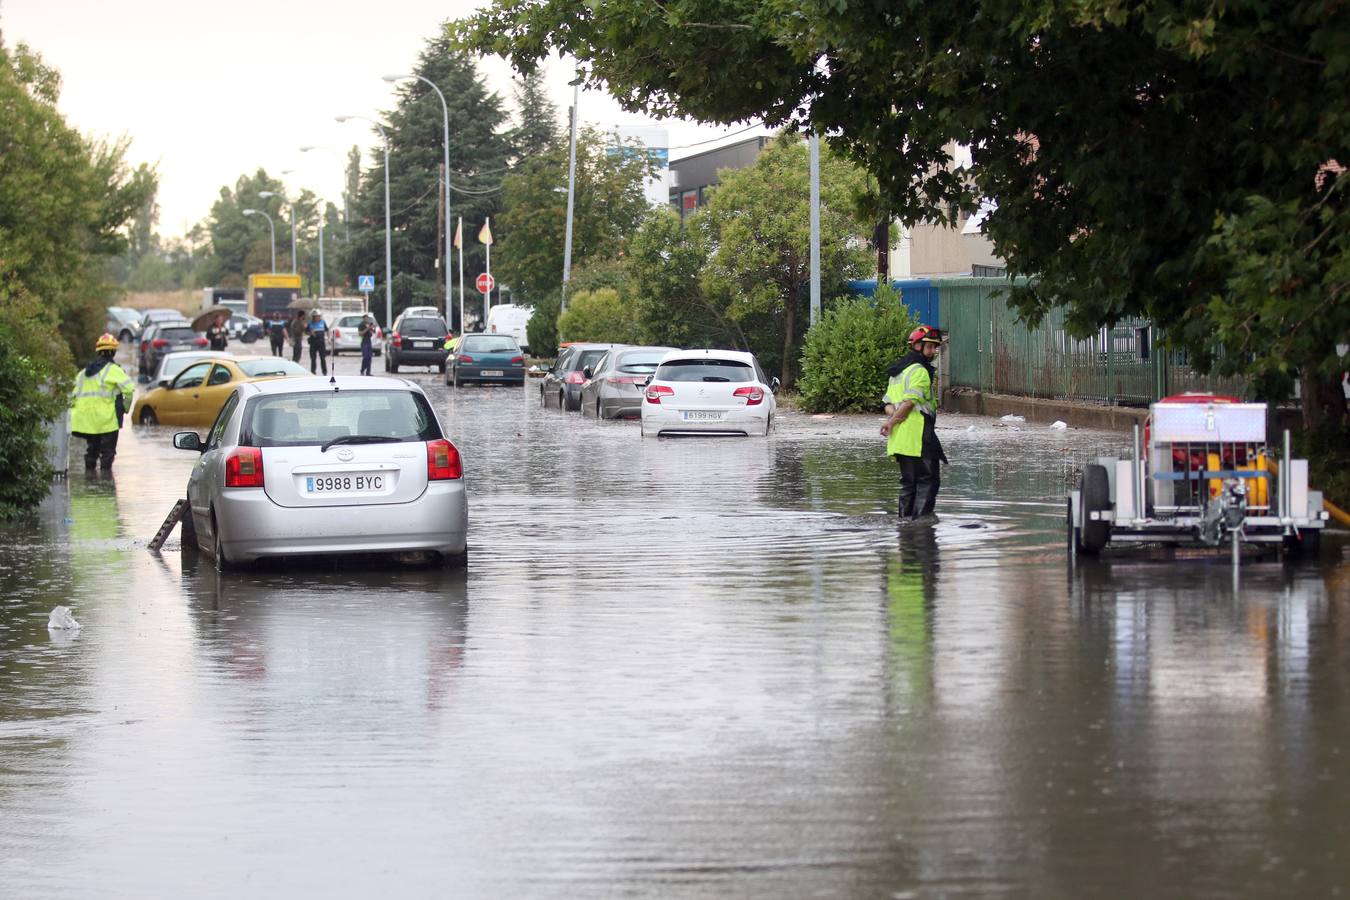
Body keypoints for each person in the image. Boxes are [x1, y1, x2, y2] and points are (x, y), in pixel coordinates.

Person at [880, 325, 948, 522]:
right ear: (918, 346)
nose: (933, 351)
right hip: (919, 437)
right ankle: (921, 525)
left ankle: (904, 524)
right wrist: (894, 422)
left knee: (908, 484)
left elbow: (888, 404)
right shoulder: (920, 372)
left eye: (935, 347)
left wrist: (893, 420)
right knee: (928, 481)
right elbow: (910, 403)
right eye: (930, 347)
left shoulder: (897, 371)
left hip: (900, 440)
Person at [70, 332, 135, 473]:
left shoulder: (83, 372)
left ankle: (90, 482)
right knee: (107, 455)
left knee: (91, 452)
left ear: (98, 351)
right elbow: (130, 389)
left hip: (86, 422)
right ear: (113, 351)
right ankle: (105, 486)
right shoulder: (113, 370)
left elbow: (72, 395)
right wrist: (125, 407)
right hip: (107, 421)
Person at [307, 308, 329, 375]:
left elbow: (327, 330)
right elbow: (306, 332)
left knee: (323, 358)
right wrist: (311, 333)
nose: (317, 318)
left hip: (321, 343)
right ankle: (313, 372)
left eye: (318, 316)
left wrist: (328, 338)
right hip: (313, 343)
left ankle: (324, 372)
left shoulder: (323, 322)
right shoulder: (310, 323)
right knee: (313, 358)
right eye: (315, 316)